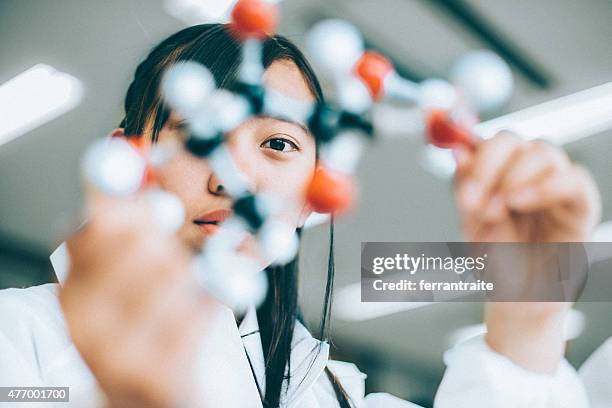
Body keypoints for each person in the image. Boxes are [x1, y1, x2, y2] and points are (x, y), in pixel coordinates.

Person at [0, 23, 605, 407]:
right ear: (125, 159)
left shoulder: (332, 390)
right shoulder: (18, 341)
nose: (232, 178)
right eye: (197, 134)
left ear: (317, 188)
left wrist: (528, 314)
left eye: (278, 144)